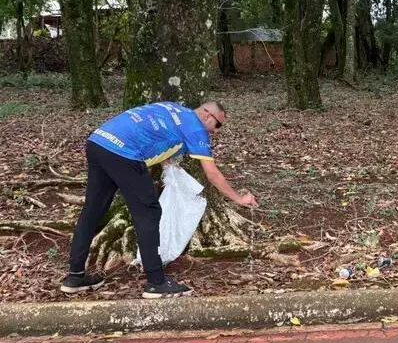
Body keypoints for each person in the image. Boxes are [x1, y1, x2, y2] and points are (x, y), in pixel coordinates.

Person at [60, 101, 258, 299]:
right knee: (149, 212)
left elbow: (153, 130)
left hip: (98, 142)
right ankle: (156, 282)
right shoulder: (197, 129)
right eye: (218, 125)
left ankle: (75, 277)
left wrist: (166, 160)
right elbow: (212, 174)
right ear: (208, 115)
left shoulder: (174, 108)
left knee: (93, 211)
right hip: (124, 154)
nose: (215, 132)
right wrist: (239, 199)